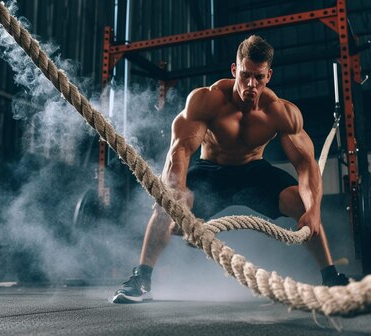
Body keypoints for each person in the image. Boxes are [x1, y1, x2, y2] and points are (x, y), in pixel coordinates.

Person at [113, 35, 348, 303]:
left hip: (254, 172)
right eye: (245, 75)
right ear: (234, 70)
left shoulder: (281, 113)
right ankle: (141, 279)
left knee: (302, 203)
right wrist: (176, 196)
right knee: (165, 204)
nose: (251, 84)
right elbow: (180, 151)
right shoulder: (206, 101)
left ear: (268, 75)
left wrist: (314, 210)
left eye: (258, 77)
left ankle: (331, 278)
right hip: (211, 171)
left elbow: (306, 165)